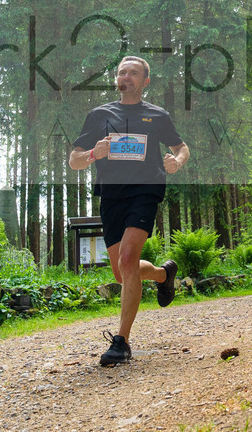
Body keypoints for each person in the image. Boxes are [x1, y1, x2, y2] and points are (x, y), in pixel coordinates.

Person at [69, 56, 190, 366]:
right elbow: (75, 159)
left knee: (127, 258)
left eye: (133, 72)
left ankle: (121, 341)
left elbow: (181, 147)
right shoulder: (99, 114)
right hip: (112, 194)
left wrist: (177, 161)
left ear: (144, 81)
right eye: (122, 72)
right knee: (122, 272)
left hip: (146, 190)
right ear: (117, 79)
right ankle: (164, 274)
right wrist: (95, 153)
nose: (126, 76)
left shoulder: (157, 115)